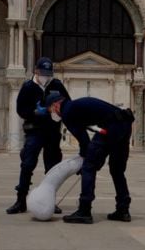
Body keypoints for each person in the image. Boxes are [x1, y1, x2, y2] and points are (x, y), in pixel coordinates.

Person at [46, 94, 134, 224]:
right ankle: (123, 209)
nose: (53, 113)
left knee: (88, 167)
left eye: (50, 110)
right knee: (117, 170)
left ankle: (84, 210)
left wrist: (86, 159)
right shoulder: (74, 106)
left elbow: (83, 140)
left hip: (111, 126)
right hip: (124, 124)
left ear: (56, 105)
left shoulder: (67, 112)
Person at [6, 57, 71, 215]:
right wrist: (34, 112)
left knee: (52, 168)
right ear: (36, 71)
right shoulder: (28, 87)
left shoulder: (57, 85)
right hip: (34, 131)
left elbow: (68, 104)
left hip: (52, 131)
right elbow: (20, 109)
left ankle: (50, 200)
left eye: (48, 73)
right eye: (43, 73)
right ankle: (21, 201)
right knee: (27, 164)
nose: (46, 76)